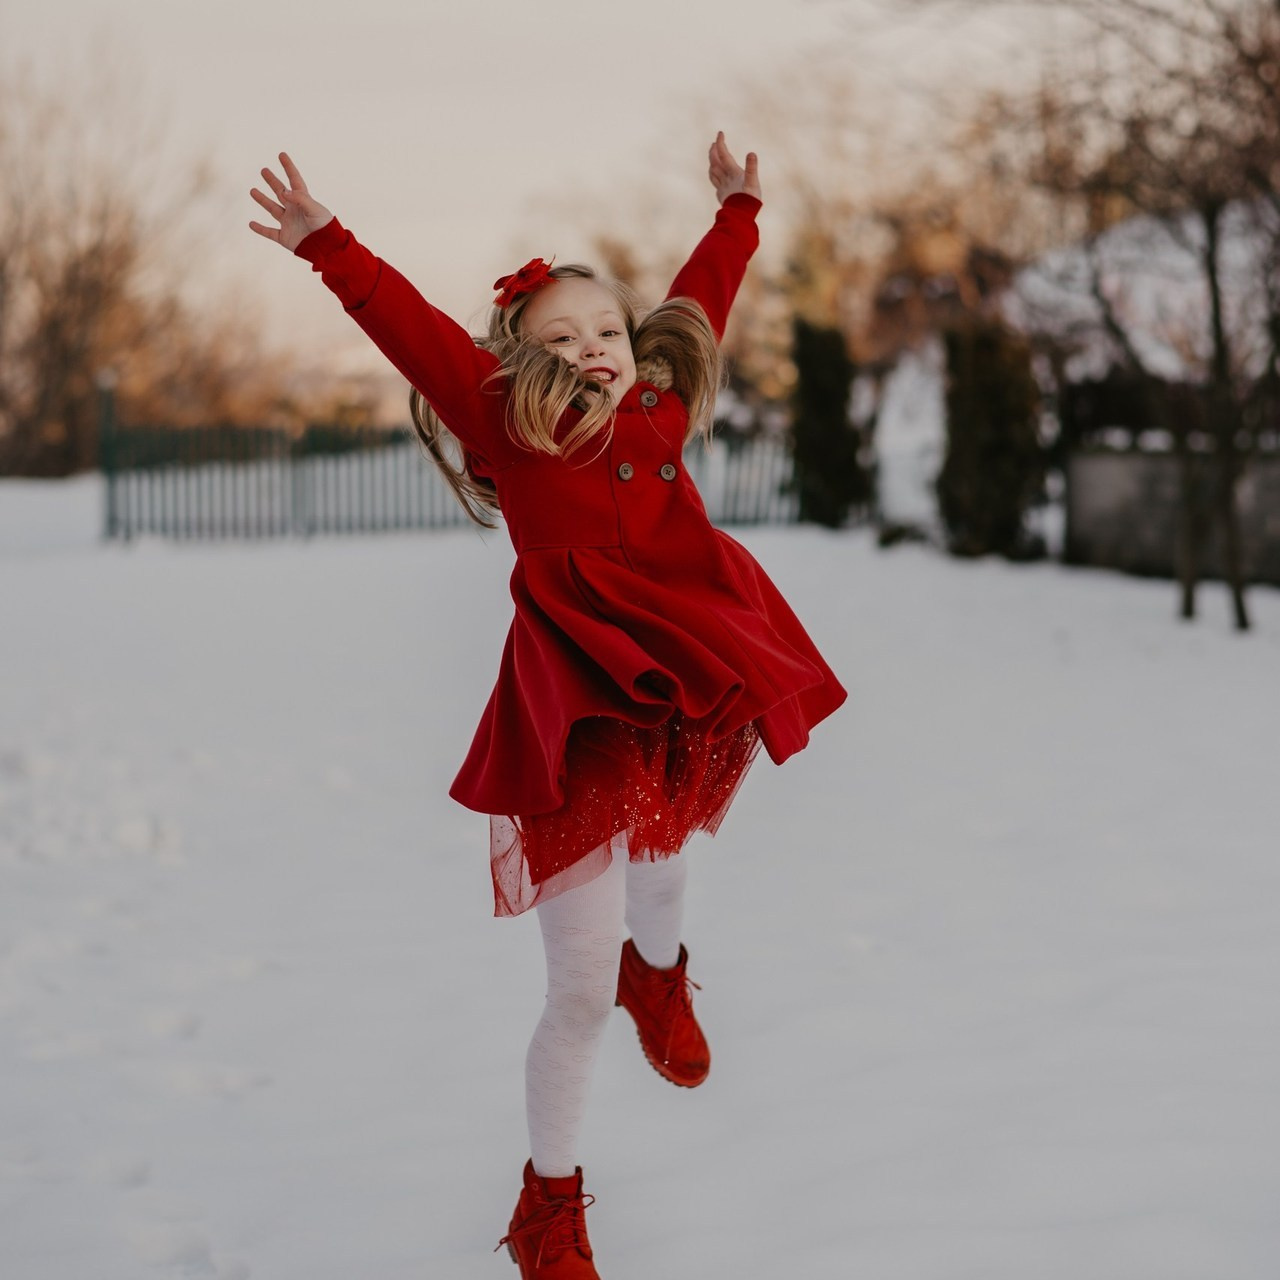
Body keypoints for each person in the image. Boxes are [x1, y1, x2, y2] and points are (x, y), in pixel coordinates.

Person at [249, 135, 845, 1279]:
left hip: (684, 678)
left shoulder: (660, 408)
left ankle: (657, 972)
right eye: (561, 340)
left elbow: (698, 301)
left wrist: (737, 207)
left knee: (666, 855)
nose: (594, 353)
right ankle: (549, 1204)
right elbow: (410, 326)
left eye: (607, 334)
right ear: (519, 366)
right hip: (573, 702)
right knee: (571, 987)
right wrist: (328, 243)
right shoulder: (507, 427)